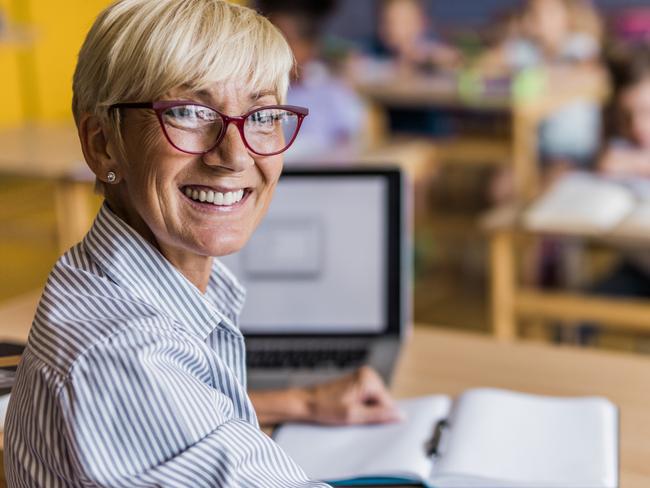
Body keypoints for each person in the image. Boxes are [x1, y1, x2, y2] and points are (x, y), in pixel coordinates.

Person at [4, 1, 400, 486]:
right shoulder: (126, 355)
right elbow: (139, 391)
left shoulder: (109, 283)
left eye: (262, 115)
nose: (234, 155)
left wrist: (304, 402)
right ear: (103, 143)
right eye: (190, 112)